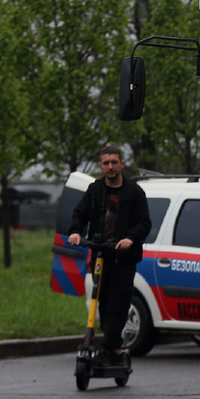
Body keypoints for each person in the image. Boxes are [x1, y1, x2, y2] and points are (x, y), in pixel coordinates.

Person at [67, 146, 152, 365]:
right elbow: (79, 213)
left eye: (114, 162)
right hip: (100, 255)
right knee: (101, 301)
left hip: (124, 258)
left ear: (122, 164)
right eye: (106, 163)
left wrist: (130, 238)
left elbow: (144, 222)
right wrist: (76, 231)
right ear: (100, 166)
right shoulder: (95, 190)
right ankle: (111, 346)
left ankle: (111, 346)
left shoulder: (134, 192)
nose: (110, 167)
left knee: (118, 302)